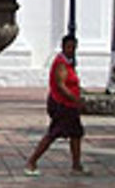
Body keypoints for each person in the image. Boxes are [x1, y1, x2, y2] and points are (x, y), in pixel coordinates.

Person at [25, 33, 86, 174]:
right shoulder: (61, 63)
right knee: (53, 134)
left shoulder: (69, 63)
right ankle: (31, 162)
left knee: (76, 134)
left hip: (70, 105)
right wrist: (77, 100)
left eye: (73, 48)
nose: (71, 50)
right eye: (69, 47)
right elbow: (61, 86)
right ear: (63, 47)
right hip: (63, 104)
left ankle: (76, 166)